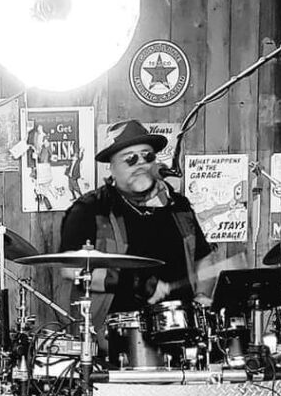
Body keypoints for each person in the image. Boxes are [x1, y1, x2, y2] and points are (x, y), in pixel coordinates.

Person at [58, 119, 214, 347]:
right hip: (113, 336)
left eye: (147, 156)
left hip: (181, 331)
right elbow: (70, 269)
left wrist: (202, 296)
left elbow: (203, 257)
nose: (140, 163)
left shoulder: (178, 206)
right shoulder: (90, 208)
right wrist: (137, 284)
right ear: (112, 167)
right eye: (130, 158)